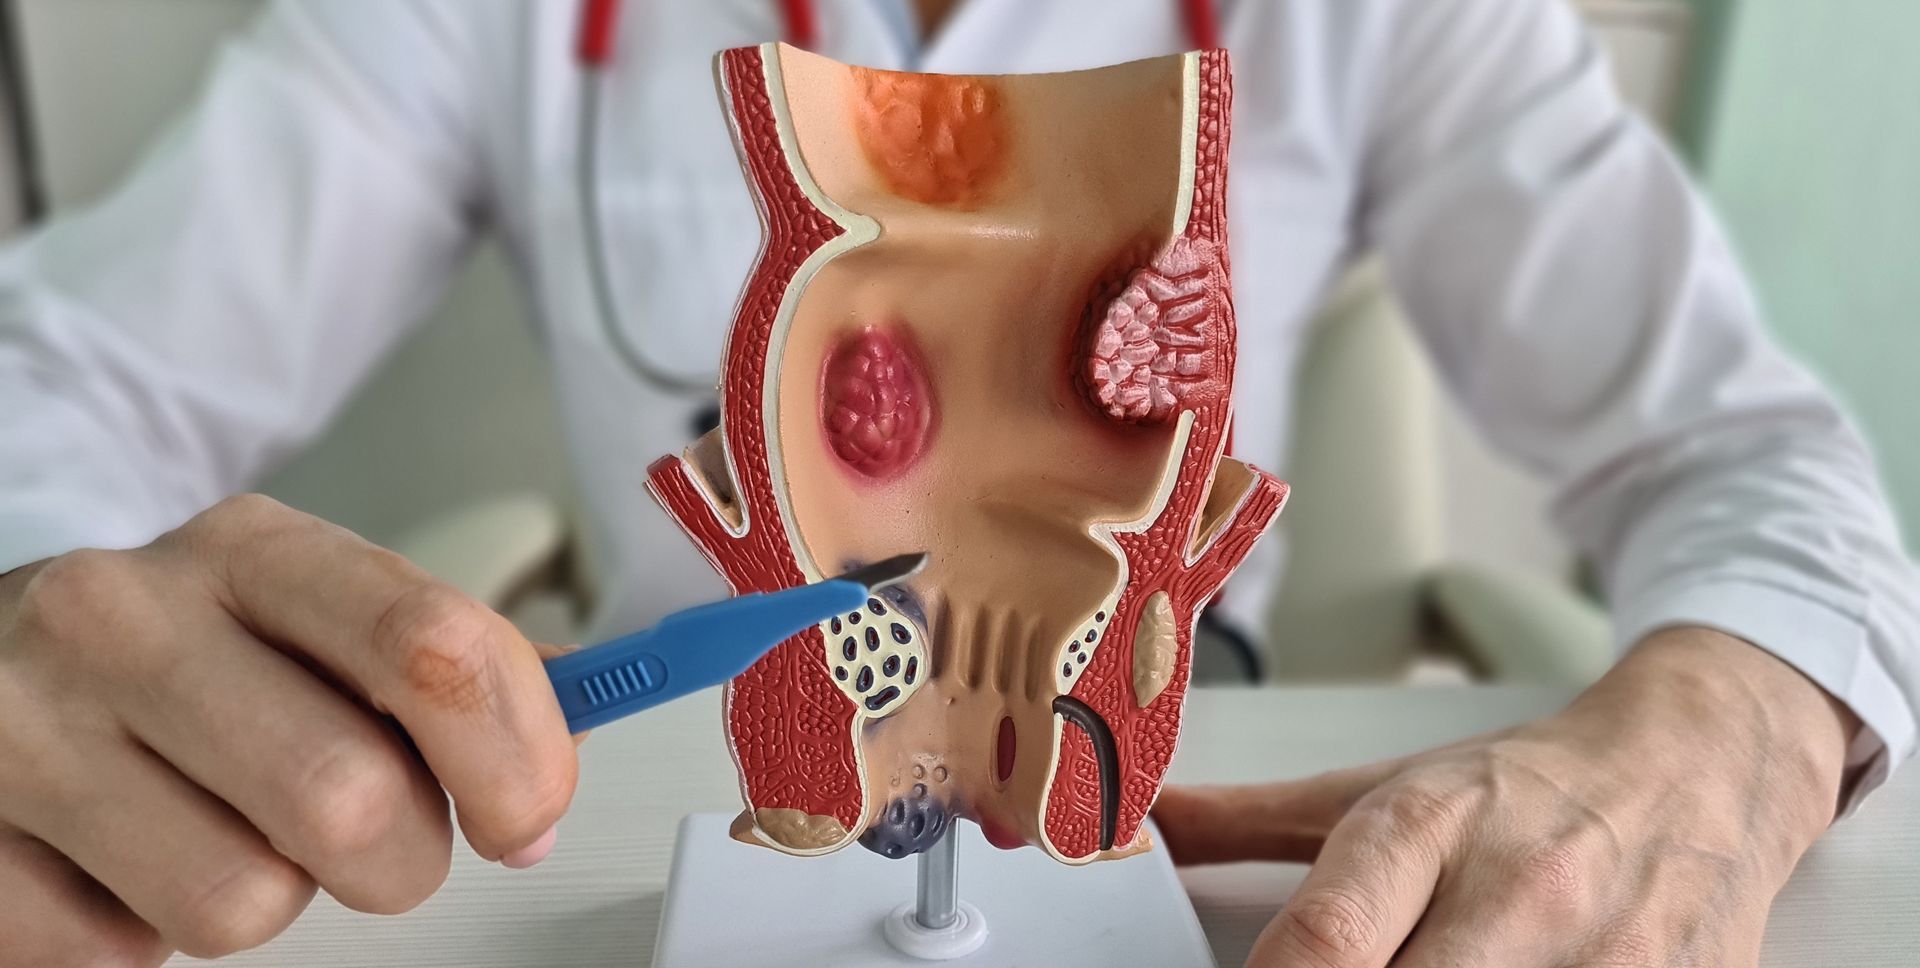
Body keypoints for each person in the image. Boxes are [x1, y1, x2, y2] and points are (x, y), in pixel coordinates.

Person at [0, 0, 1913, 965]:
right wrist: (50, 618)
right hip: (686, 765)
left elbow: (1744, 444)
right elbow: (59, 377)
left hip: (1160, 765)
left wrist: (1728, 721)